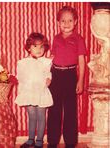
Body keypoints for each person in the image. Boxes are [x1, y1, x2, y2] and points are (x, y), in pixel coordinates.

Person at [47, 6, 86, 148]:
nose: (66, 23)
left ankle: (70, 142)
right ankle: (52, 141)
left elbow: (81, 61)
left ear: (75, 22)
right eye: (63, 20)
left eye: (70, 20)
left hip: (70, 76)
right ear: (58, 22)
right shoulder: (56, 38)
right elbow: (52, 57)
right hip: (55, 75)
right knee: (54, 109)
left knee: (70, 110)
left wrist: (80, 80)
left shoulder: (79, 39)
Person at [15, 33, 53, 148]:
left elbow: (48, 73)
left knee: (41, 116)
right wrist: (22, 92)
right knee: (31, 116)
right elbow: (20, 78)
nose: (39, 49)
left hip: (41, 91)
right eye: (35, 46)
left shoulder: (46, 61)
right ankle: (30, 139)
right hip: (29, 92)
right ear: (28, 48)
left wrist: (49, 78)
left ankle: (39, 141)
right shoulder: (22, 62)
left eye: (41, 46)